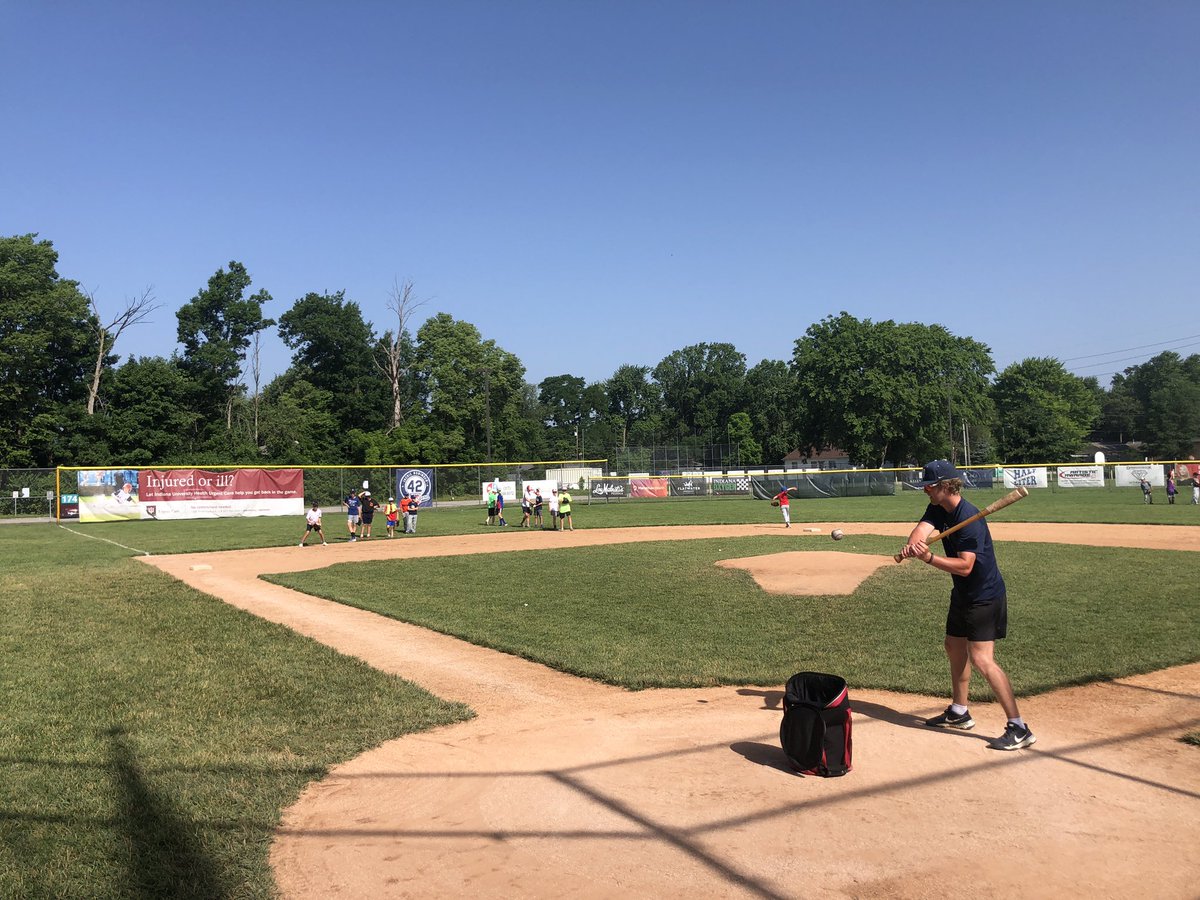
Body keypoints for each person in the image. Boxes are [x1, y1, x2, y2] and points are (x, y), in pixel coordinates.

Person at [899, 459, 1035, 751]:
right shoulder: (938, 508)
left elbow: (965, 567)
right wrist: (915, 545)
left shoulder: (969, 519)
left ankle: (1019, 727)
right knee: (954, 646)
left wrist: (928, 558)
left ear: (946, 486)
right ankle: (959, 712)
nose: (925, 490)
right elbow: (921, 531)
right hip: (962, 594)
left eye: (930, 486)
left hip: (984, 595)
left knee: (982, 659)